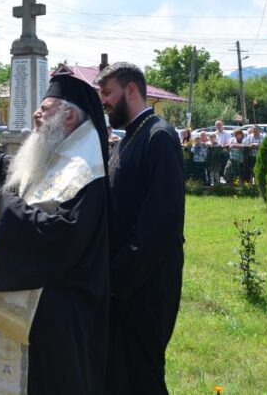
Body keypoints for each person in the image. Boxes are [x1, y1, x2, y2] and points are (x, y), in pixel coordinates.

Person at [0, 72, 110, 393]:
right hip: (36, 312)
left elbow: (62, 237)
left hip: (60, 319)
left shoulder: (85, 172)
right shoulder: (52, 159)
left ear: (69, 116)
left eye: (45, 108)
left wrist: (9, 204)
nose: (36, 113)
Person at [95, 62, 184, 395]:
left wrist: (116, 277)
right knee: (122, 375)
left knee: (144, 376)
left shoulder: (159, 136)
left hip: (149, 284)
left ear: (130, 90)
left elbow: (161, 222)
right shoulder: (126, 139)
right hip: (124, 282)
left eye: (107, 93)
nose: (103, 102)